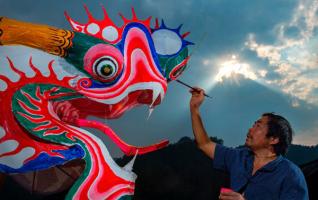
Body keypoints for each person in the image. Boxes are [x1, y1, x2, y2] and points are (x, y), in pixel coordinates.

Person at [189, 87, 309, 200]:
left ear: (274, 139)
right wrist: (194, 108)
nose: (250, 129)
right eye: (253, 125)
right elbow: (204, 144)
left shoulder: (291, 175)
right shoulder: (239, 157)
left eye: (258, 126)